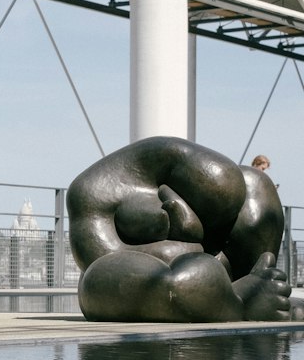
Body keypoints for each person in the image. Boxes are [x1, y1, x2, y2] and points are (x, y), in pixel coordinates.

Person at [67, 135, 290, 323]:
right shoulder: (94, 195)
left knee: (255, 183)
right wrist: (239, 301)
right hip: (147, 278)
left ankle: (252, 288)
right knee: (162, 282)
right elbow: (103, 264)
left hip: (212, 275)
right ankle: (241, 300)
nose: (196, 230)